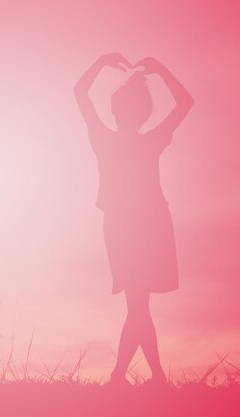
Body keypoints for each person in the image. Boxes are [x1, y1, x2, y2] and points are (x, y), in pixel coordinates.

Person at [74, 53, 193, 386]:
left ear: (116, 110)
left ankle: (132, 377)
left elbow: (80, 93)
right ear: (142, 113)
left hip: (132, 225)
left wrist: (100, 63)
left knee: (138, 305)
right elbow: (185, 102)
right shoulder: (149, 140)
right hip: (143, 224)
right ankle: (142, 377)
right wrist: (161, 69)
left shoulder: (104, 138)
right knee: (139, 304)